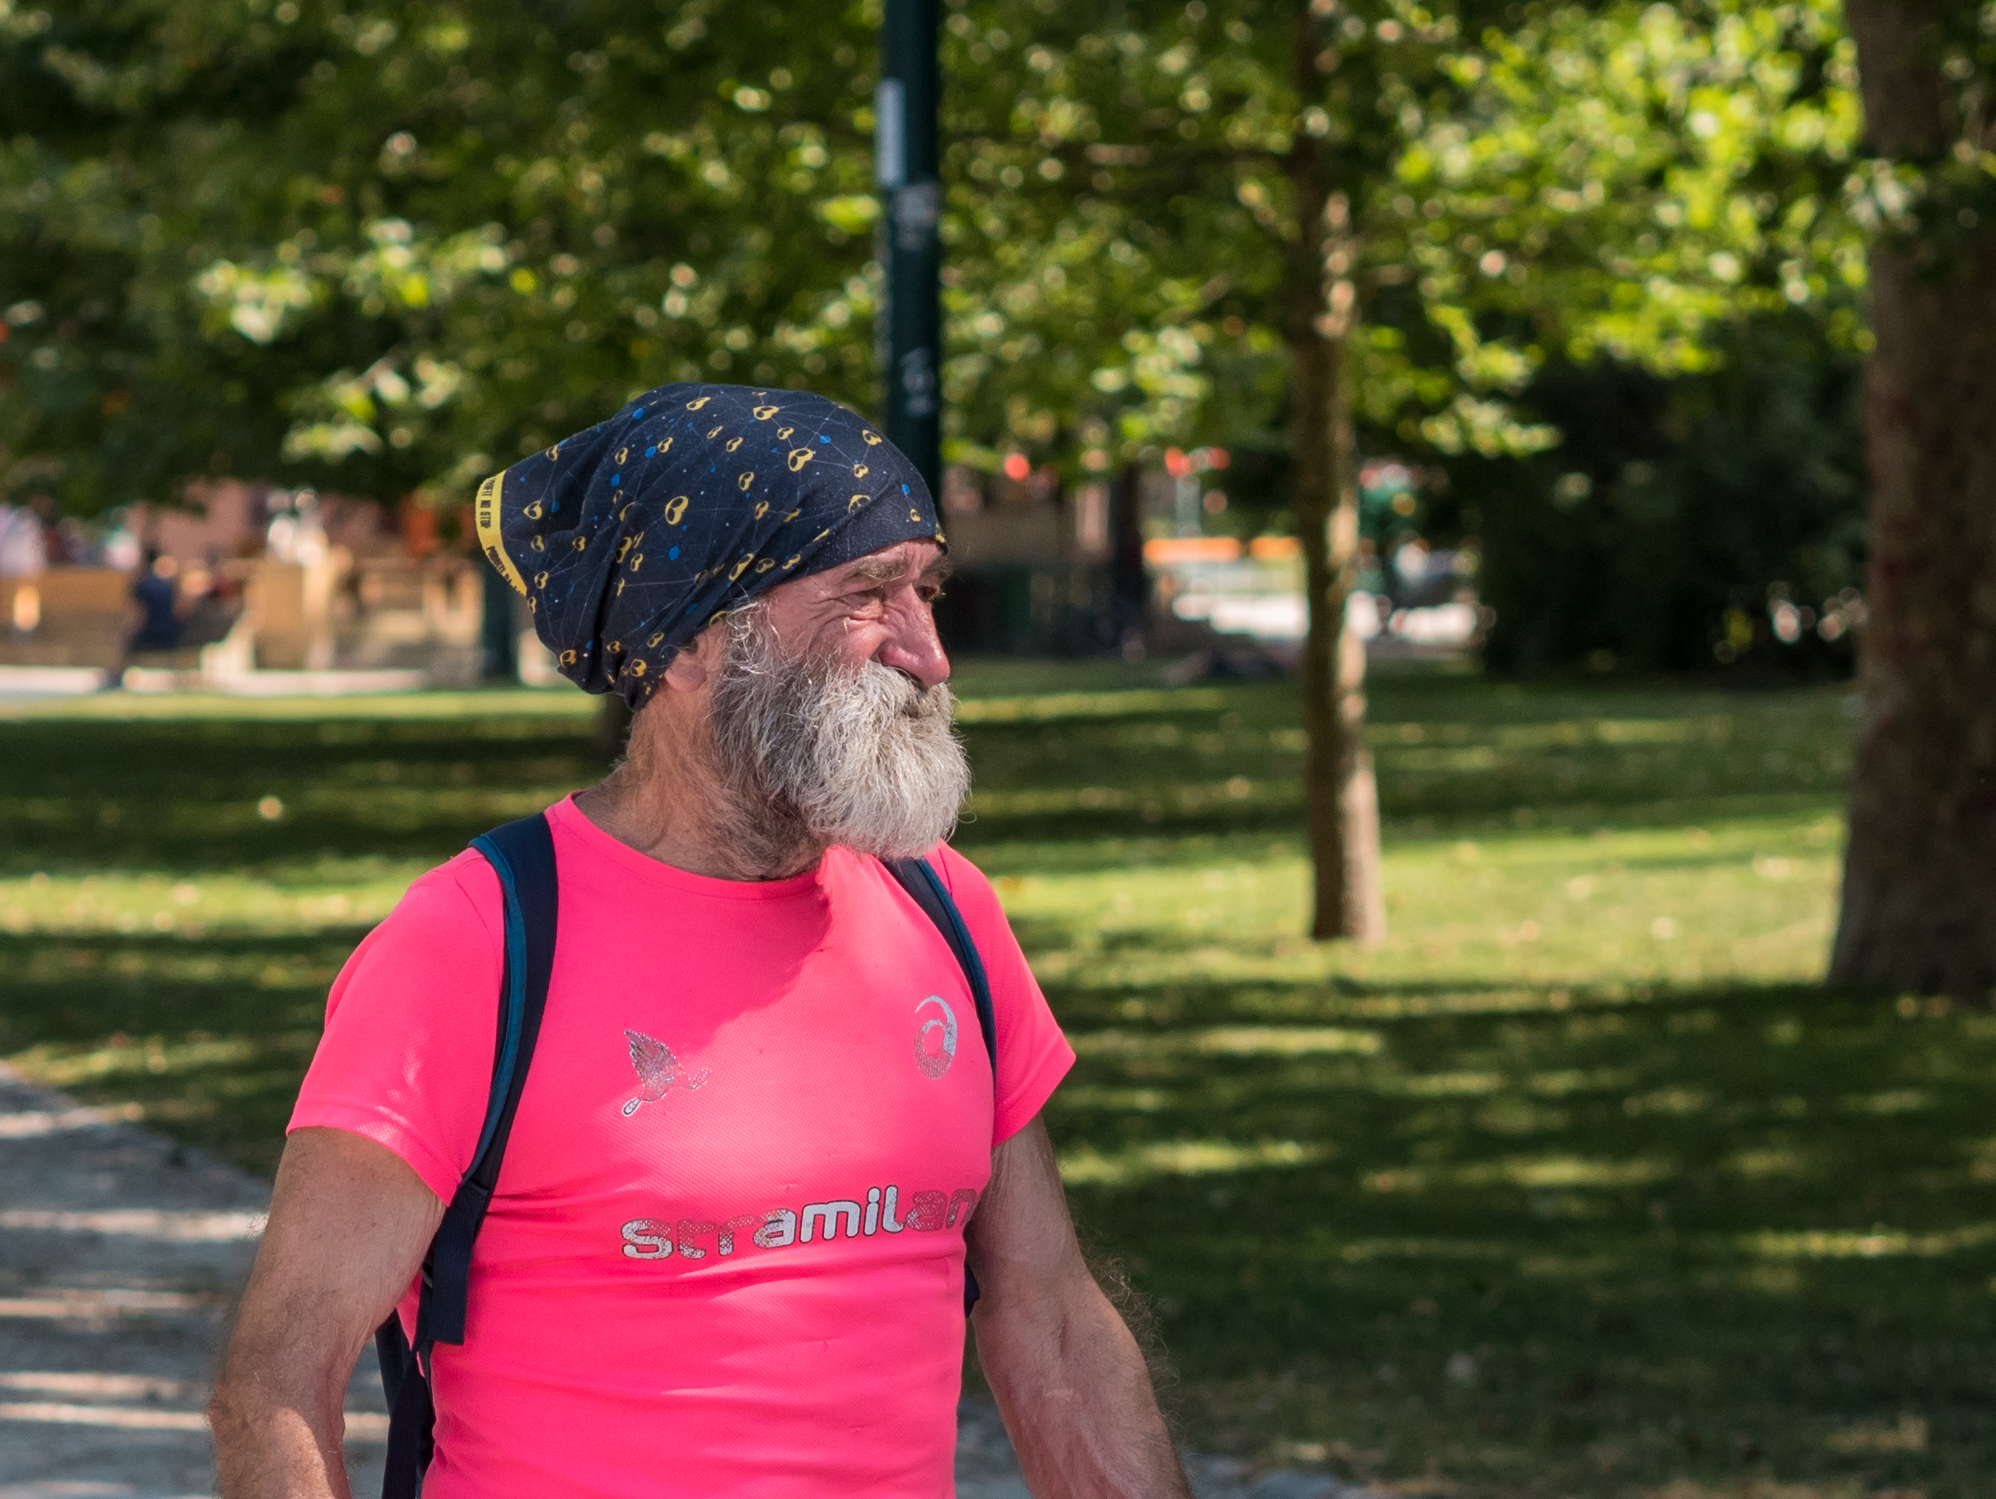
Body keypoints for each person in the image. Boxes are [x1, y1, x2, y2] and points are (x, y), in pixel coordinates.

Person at [209, 384, 1193, 1499]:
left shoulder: (947, 914)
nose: (928, 654)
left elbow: (1052, 1321)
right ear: (688, 642)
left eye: (925, 590)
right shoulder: (476, 941)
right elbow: (278, 1382)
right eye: (868, 595)